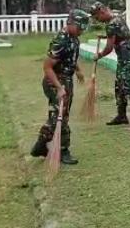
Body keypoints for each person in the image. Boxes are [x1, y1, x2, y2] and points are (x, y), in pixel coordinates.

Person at [30, 9, 90, 165]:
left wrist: (77, 70)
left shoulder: (73, 38)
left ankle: (41, 145)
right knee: (60, 116)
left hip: (66, 79)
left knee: (59, 115)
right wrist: (59, 87)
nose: (82, 31)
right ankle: (63, 150)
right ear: (70, 23)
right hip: (55, 81)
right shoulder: (61, 40)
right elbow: (47, 67)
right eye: (80, 27)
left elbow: (70, 56)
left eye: (83, 28)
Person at [90, 2, 130, 126]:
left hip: (127, 59)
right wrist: (105, 36)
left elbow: (109, 48)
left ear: (102, 11)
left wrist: (99, 55)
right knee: (119, 86)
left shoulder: (111, 24)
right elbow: (120, 35)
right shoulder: (117, 18)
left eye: (97, 17)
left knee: (127, 85)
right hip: (125, 58)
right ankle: (122, 116)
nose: (98, 20)